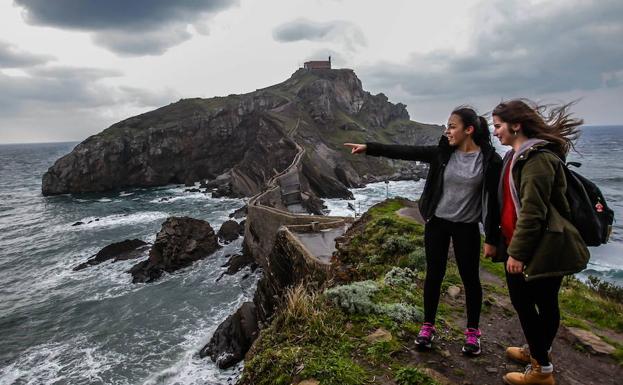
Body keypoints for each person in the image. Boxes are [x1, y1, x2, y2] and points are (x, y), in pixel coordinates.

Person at [344, 106, 502, 356]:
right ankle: (427, 326)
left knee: (470, 279)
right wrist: (369, 147)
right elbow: (406, 152)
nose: (446, 131)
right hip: (437, 222)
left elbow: (495, 201)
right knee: (434, 274)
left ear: (469, 130)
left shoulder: (490, 161)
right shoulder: (442, 154)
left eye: (452, 126)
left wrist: (493, 238)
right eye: (446, 126)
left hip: (467, 226)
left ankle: (473, 332)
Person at [491, 99, 589, 385]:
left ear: (516, 125)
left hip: (540, 247)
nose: (496, 132)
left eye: (498, 126)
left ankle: (541, 371)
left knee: (530, 305)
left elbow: (533, 212)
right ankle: (537, 352)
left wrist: (517, 253)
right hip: (526, 243)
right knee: (542, 304)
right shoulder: (518, 155)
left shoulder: (537, 159)